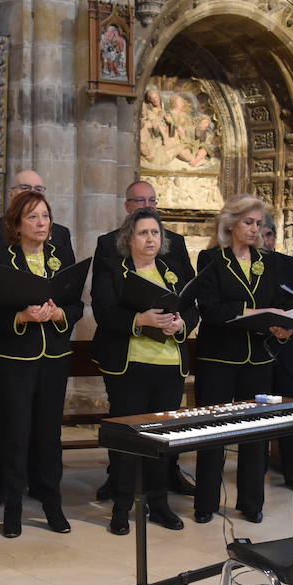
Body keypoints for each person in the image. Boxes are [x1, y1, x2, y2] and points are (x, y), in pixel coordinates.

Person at [0, 189, 83, 537]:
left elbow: (77, 304)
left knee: (49, 434)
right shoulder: (4, 260)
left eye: (45, 216)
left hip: (53, 357)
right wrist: (20, 316)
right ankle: (13, 508)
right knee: (15, 434)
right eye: (33, 217)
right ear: (17, 225)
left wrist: (59, 312)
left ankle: (53, 504)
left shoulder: (59, 256)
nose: (41, 223)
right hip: (14, 359)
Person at [91, 209, 198, 534]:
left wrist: (182, 324)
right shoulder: (115, 268)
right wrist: (141, 320)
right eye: (143, 233)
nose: (150, 239)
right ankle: (122, 507)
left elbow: (192, 309)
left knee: (161, 439)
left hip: (168, 366)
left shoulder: (172, 270)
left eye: (155, 233)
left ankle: (159, 503)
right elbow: (103, 311)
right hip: (129, 365)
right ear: (129, 238)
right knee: (128, 439)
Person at [192, 195, 293, 525]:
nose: (255, 230)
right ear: (231, 224)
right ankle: (205, 502)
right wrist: (253, 312)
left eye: (259, 224)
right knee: (212, 431)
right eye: (248, 223)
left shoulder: (268, 262)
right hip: (218, 357)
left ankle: (251, 502)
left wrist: (282, 328)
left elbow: (278, 305)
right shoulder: (210, 259)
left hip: (257, 358)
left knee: (255, 434)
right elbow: (209, 309)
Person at [260, 214, 293, 493]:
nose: (265, 240)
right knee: (254, 418)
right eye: (260, 234)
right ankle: (255, 471)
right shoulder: (241, 265)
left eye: (269, 234)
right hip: (257, 350)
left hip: (288, 351)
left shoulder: (290, 264)